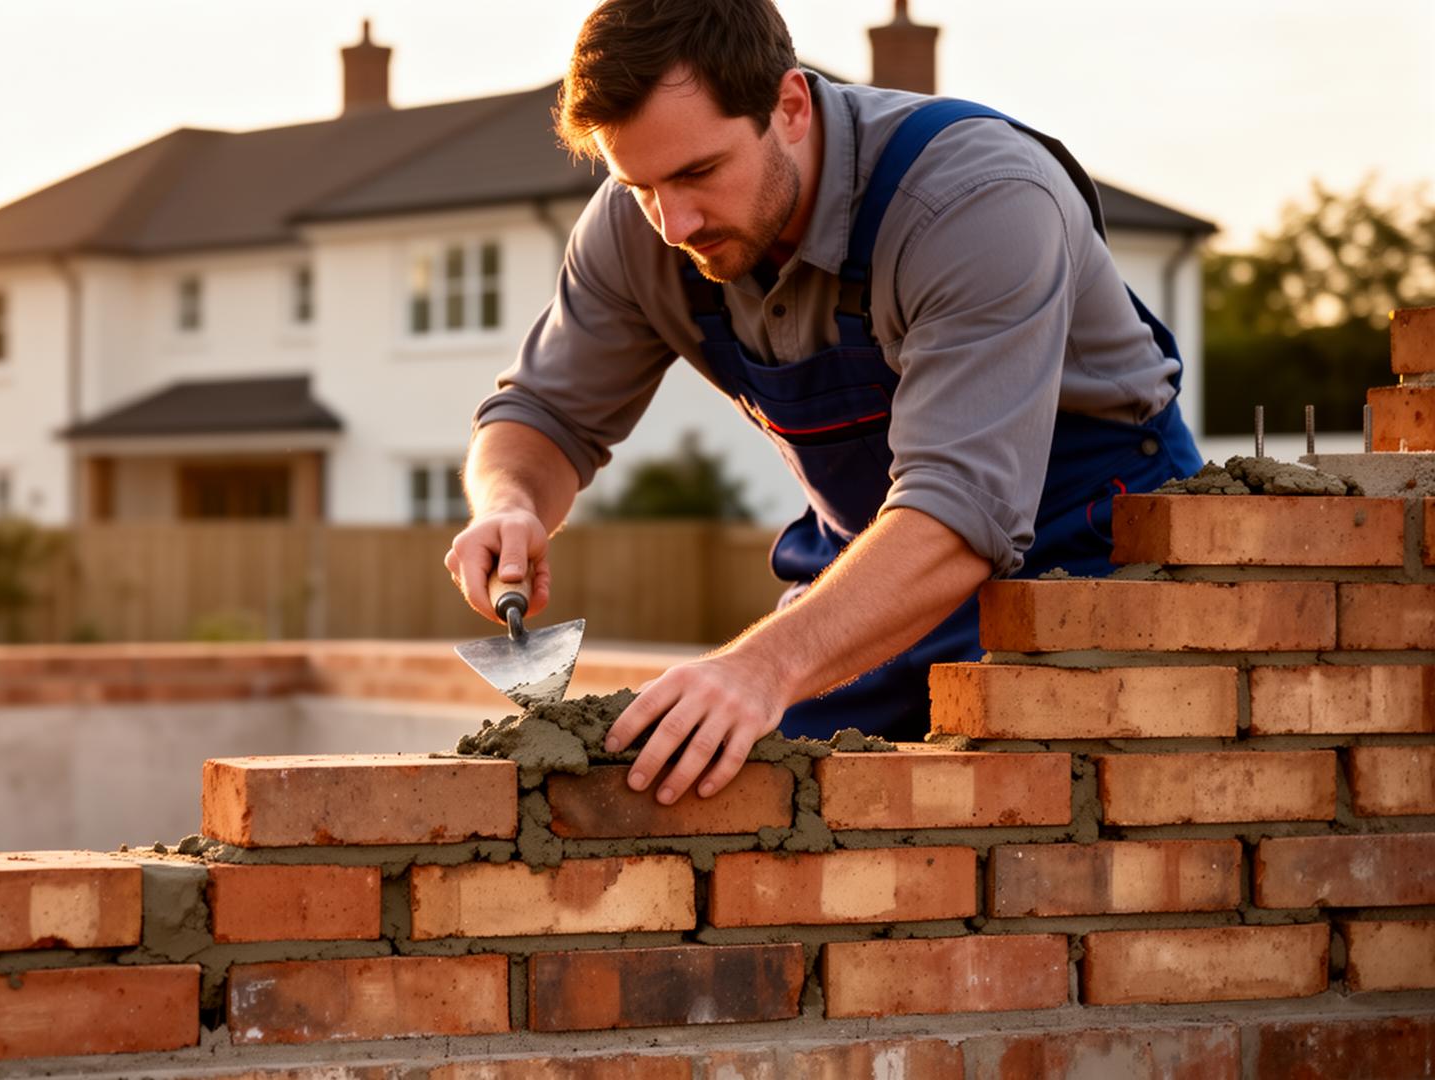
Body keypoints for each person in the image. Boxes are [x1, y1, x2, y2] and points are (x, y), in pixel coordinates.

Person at [443, 0, 1201, 805]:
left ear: (791, 106)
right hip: (870, 579)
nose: (674, 224)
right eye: (640, 186)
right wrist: (510, 501)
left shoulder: (975, 200)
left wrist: (763, 666)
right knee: (734, 798)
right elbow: (544, 416)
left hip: (1085, 570)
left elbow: (961, 504)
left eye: (699, 173)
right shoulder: (643, 229)